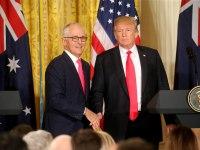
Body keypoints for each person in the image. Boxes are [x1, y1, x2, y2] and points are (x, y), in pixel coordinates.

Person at [90, 16, 175, 148]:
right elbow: (97, 90)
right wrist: (97, 112)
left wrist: (170, 121)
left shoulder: (152, 56)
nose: (124, 34)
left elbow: (163, 89)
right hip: (117, 124)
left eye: (128, 30)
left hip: (148, 122)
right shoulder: (104, 59)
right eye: (119, 31)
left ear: (136, 32)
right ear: (114, 34)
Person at [42, 23, 99, 136]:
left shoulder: (86, 66)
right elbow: (55, 99)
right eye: (75, 38)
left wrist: (96, 112)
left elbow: (84, 98)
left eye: (83, 38)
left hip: (81, 130)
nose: (80, 42)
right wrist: (85, 111)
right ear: (64, 42)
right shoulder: (56, 65)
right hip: (61, 131)